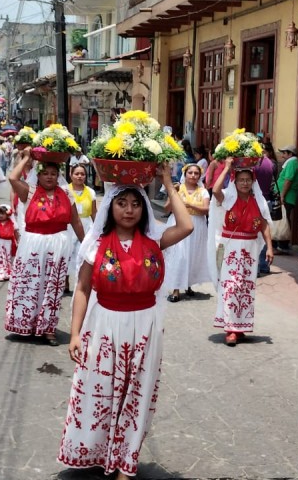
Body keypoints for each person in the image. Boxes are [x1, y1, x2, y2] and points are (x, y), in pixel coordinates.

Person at [57, 166, 193, 479]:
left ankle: (126, 462)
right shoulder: (96, 244)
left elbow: (186, 225)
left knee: (137, 393)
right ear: (111, 207)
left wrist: (169, 183)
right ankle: (100, 451)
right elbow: (82, 289)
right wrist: (75, 334)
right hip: (104, 323)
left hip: (145, 324)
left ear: (143, 208)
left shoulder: (154, 240)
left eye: (135, 204)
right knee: (102, 390)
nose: (129, 210)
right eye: (122, 203)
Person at [5, 149, 85, 345]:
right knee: (30, 284)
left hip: (58, 243)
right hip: (33, 243)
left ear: (58, 176)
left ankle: (48, 328)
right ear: (38, 175)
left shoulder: (67, 193)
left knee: (53, 287)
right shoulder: (30, 191)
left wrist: (87, 244)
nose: (49, 177)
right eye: (45, 173)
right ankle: (25, 324)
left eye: (53, 173)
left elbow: (76, 221)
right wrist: (26, 159)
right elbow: (13, 178)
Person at [208, 158, 274, 345]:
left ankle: (240, 326)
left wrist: (269, 247)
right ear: (235, 182)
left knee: (245, 288)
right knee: (231, 286)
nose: (244, 183)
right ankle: (230, 329)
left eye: (248, 180)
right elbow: (215, 190)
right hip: (231, 249)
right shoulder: (228, 199)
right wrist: (227, 166)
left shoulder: (258, 202)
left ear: (253, 182)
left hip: (250, 251)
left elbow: (264, 225)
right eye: (241, 180)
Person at [165, 163, 210, 302]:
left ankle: (188, 284)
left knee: (193, 255)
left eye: (196, 173)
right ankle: (176, 288)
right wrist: (172, 193)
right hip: (179, 223)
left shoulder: (203, 191)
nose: (193, 176)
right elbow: (166, 209)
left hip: (197, 225)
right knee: (179, 255)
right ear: (185, 174)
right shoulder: (178, 189)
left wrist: (190, 205)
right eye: (190, 173)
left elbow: (206, 209)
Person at [66, 163, 98, 292]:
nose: (79, 176)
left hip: (86, 226)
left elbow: (94, 212)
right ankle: (65, 281)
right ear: (71, 175)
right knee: (67, 254)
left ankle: (81, 283)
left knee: (84, 255)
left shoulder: (90, 192)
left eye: (82, 174)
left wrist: (98, 229)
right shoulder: (64, 190)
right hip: (68, 227)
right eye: (77, 174)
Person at [274, 145, 298, 254]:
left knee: (283, 221)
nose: (282, 156)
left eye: (284, 153)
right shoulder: (292, 163)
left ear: (290, 154)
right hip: (287, 196)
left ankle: (283, 246)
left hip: (287, 196)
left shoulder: (292, 163)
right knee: (281, 219)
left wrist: (282, 195)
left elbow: (288, 180)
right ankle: (280, 244)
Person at [255, 145, 278, 275]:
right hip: (267, 199)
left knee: (256, 234)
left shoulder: (254, 164)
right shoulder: (270, 162)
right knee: (264, 233)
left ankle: (256, 267)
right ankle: (264, 265)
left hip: (256, 199)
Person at [0, 205, 18, 282]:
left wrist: (18, 242)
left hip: (8, 242)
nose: (0, 215)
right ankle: (0, 274)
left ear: (7, 215)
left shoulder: (12, 223)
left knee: (8, 258)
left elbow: (16, 232)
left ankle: (7, 273)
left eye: (3, 214)